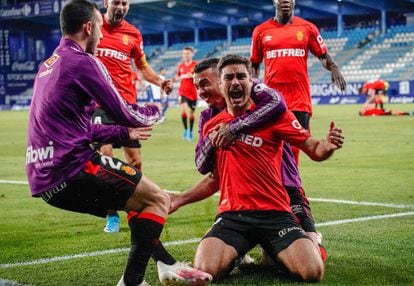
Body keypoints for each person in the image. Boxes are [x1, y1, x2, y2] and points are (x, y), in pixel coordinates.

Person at [25, 2, 212, 286]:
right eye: (98, 28)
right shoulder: (82, 61)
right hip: (72, 169)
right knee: (159, 199)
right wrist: (154, 112)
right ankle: (133, 281)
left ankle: (166, 263)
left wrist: (123, 135)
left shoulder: (49, 64)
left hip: (44, 176)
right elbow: (124, 111)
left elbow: (79, 127)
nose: (100, 37)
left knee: (141, 200)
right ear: (89, 27)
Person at [191, 55, 344, 282]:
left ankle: (268, 251)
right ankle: (240, 254)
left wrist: (329, 146)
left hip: (275, 212)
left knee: (312, 272)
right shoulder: (213, 124)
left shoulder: (275, 116)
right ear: (221, 85)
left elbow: (315, 149)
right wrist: (211, 142)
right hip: (233, 215)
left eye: (241, 76)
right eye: (229, 78)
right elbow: (202, 167)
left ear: (251, 81)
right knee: (206, 269)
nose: (235, 82)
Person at [169, 58, 325, 261]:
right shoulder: (208, 118)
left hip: (285, 187)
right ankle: (238, 250)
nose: (200, 91)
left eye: (205, 83)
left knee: (310, 256)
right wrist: (180, 199)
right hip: (241, 203)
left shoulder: (258, 97)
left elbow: (278, 103)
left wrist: (235, 126)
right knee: (218, 254)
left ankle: (309, 240)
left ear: (220, 80)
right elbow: (208, 170)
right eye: (197, 86)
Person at [93, 0, 173, 233]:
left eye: (125, 3)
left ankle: (136, 204)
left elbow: (142, 66)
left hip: (126, 105)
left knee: (135, 161)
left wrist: (160, 81)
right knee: (105, 156)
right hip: (99, 103)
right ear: (106, 3)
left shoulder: (133, 34)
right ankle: (110, 212)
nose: (120, 7)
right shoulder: (92, 26)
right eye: (116, 2)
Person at [250, 0, 346, 164]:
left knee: (294, 148)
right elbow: (254, 63)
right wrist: (252, 92)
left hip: (299, 100)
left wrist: (334, 68)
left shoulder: (308, 28)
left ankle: (291, 188)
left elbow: (323, 56)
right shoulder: (260, 31)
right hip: (273, 101)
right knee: (271, 146)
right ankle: (277, 186)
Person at [175, 46, 198, 141]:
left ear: (192, 54)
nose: (185, 55)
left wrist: (192, 76)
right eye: (184, 54)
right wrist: (178, 78)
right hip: (182, 91)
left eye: (187, 53)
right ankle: (185, 129)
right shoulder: (180, 66)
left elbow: (199, 76)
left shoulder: (196, 65)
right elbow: (177, 77)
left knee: (191, 113)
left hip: (193, 93)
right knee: (183, 111)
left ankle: (191, 131)